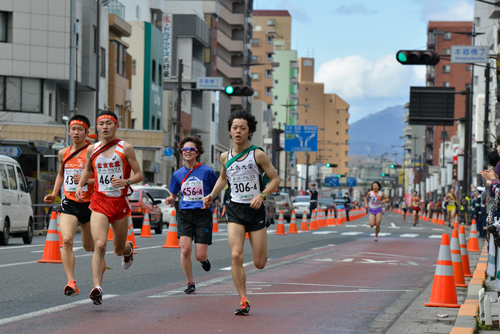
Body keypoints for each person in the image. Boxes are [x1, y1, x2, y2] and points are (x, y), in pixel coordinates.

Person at [202, 110, 280, 315]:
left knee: (259, 263)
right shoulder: (224, 156)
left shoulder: (258, 154)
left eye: (242, 128)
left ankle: (262, 251)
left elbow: (275, 179)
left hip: (255, 210)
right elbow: (223, 179)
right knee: (236, 255)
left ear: (250, 132)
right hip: (235, 209)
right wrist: (212, 194)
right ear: (230, 130)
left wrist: (261, 196)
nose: (238, 131)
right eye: (235, 128)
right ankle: (243, 300)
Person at [76, 111, 143, 305]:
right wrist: (81, 185)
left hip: (120, 203)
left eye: (109, 123)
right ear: (97, 128)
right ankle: (97, 287)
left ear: (116, 126)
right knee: (99, 245)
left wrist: (125, 181)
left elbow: (139, 175)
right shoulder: (92, 149)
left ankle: (128, 249)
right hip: (99, 201)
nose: (105, 127)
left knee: (118, 249)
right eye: (101, 124)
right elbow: (88, 169)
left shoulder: (125, 148)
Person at [43, 115, 96, 296]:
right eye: (73, 129)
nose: (76, 132)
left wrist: (85, 181)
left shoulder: (92, 151)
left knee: (90, 247)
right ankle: (71, 282)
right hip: (69, 202)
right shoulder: (63, 153)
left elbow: (100, 177)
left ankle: (100, 255)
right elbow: (60, 175)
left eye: (80, 129)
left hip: (90, 203)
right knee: (66, 240)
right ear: (69, 131)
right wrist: (54, 193)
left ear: (86, 132)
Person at [165, 136, 218, 294]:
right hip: (185, 214)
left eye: (191, 150)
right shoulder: (178, 174)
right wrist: (170, 198)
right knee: (185, 250)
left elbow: (216, 189)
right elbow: (174, 194)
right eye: (185, 150)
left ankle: (204, 261)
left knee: (199, 255)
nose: (187, 152)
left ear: (198, 152)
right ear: (181, 153)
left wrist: (211, 198)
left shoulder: (207, 171)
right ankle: (190, 283)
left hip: (202, 215)